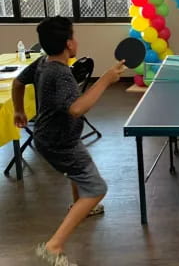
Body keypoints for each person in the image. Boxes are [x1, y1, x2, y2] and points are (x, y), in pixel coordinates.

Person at [12, 16, 126, 265]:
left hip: (51, 136)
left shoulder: (43, 63)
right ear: (69, 44)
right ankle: (54, 246)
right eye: (73, 36)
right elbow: (76, 109)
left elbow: (17, 81)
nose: (76, 40)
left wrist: (18, 110)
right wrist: (106, 80)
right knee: (97, 188)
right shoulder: (61, 74)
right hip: (61, 141)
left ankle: (81, 204)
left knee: (79, 165)